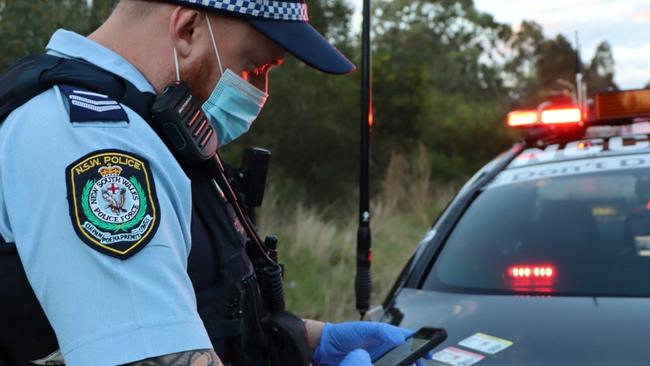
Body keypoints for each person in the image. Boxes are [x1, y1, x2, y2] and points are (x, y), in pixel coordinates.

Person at [0, 1, 426, 365]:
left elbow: (193, 300)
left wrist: (311, 341)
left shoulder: (151, 127)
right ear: (186, 30)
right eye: (255, 66)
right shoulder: (92, 143)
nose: (261, 90)